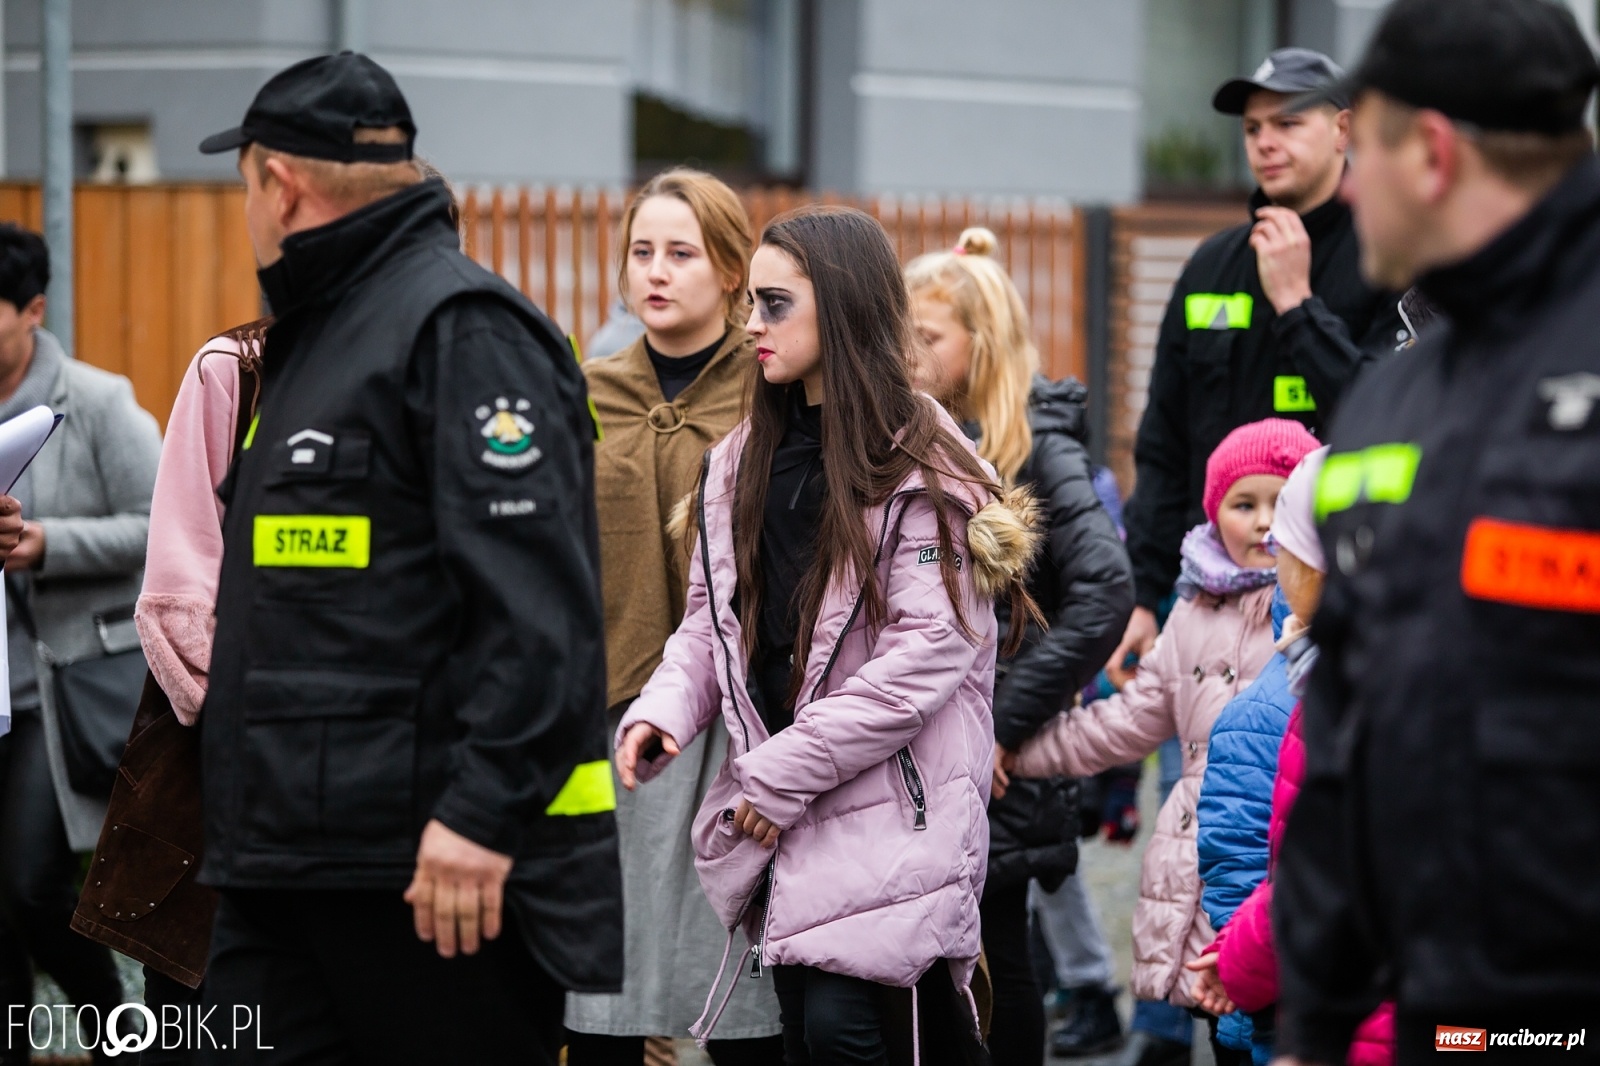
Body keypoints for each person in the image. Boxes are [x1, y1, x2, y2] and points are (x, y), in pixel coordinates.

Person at [189, 53, 621, 1065]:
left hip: (427, 880)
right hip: (288, 861)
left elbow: (540, 617)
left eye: (243, 185)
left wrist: (479, 815)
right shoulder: (321, 331)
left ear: (277, 183)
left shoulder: (461, 331)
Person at [615, 205, 1040, 1066]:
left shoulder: (926, 461)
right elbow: (711, 622)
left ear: (841, 308)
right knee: (807, 1033)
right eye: (753, 305)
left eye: (775, 305)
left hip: (894, 803)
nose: (751, 326)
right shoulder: (739, 458)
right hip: (788, 802)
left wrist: (771, 777)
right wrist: (662, 711)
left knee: (849, 1032)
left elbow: (924, 658)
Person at [1269, 1, 1600, 1062]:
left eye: (1358, 145)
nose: (1348, 185)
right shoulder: (1389, 399)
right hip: (1444, 1018)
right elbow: (1346, 720)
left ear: (1434, 152)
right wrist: (1311, 1018)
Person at [566, 169, 782, 1063]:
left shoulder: (774, 389)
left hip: (743, 722)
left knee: (740, 998)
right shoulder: (584, 390)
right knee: (606, 992)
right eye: (642, 252)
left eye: (682, 254)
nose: (656, 271)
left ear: (732, 270)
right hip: (612, 715)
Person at [1003, 420, 1319, 1027]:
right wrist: (1016, 748)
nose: (1262, 522)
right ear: (1213, 511)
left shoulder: (1306, 620)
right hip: (1194, 867)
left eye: (1281, 505)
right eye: (1244, 503)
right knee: (1218, 1020)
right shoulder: (1191, 615)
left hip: (1277, 867)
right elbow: (1126, 721)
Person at [905, 227, 1134, 1065]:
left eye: (926, 338)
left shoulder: (1041, 451)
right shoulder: (925, 437)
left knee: (997, 949)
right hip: (930, 748)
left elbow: (1108, 589)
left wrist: (1001, 722)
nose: (907, 354)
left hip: (997, 762)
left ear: (983, 343)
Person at [1111, 46, 1404, 695]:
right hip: (1204, 606)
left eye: (1288, 122)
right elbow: (1163, 447)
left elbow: (1384, 420)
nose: (1265, 142)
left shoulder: (1390, 259)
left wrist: (1298, 307)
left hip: (1326, 605)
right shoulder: (1211, 267)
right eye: (1252, 128)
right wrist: (1142, 595)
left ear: (1343, 129)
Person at [0, 222, 161, 1060]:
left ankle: (113, 1031)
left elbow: (164, 525)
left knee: (30, 883)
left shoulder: (94, 402)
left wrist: (47, 544)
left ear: (33, 310)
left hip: (53, 692)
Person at [1186, 449, 1394, 1066]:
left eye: (1286, 544)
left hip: (1326, 1006)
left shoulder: (1326, 698)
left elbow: (1308, 872)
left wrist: (1241, 980)